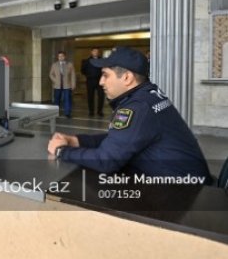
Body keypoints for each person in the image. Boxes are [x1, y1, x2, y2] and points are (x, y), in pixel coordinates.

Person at [47, 47, 211, 182]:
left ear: (127, 78)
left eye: (105, 75)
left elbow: (106, 160)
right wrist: (77, 141)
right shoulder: (147, 94)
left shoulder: (137, 107)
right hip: (183, 181)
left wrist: (62, 151)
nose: (100, 82)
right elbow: (120, 139)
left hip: (184, 193)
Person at [49, 51, 76, 118]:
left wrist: (73, 84)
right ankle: (55, 113)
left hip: (67, 85)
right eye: (59, 56)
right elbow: (51, 74)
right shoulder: (54, 65)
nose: (61, 57)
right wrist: (55, 81)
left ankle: (67, 113)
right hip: (57, 86)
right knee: (56, 100)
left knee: (67, 99)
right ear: (58, 57)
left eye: (62, 56)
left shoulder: (70, 64)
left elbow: (73, 75)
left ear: (65, 56)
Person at [81, 47, 105, 117]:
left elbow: (105, 69)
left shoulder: (102, 60)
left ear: (98, 52)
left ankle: (100, 111)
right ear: (91, 52)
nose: (96, 52)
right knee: (90, 97)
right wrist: (89, 75)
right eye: (94, 51)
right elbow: (83, 70)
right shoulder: (86, 61)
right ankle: (91, 111)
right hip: (90, 80)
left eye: (97, 51)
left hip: (100, 81)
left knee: (101, 97)